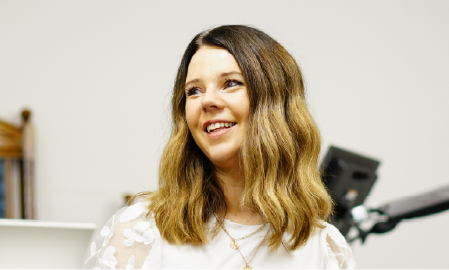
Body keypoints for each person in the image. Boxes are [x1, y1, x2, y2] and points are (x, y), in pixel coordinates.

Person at [82, 25, 356, 270]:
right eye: (194, 91)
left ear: (275, 104)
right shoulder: (139, 230)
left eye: (231, 83)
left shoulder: (325, 248)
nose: (207, 101)